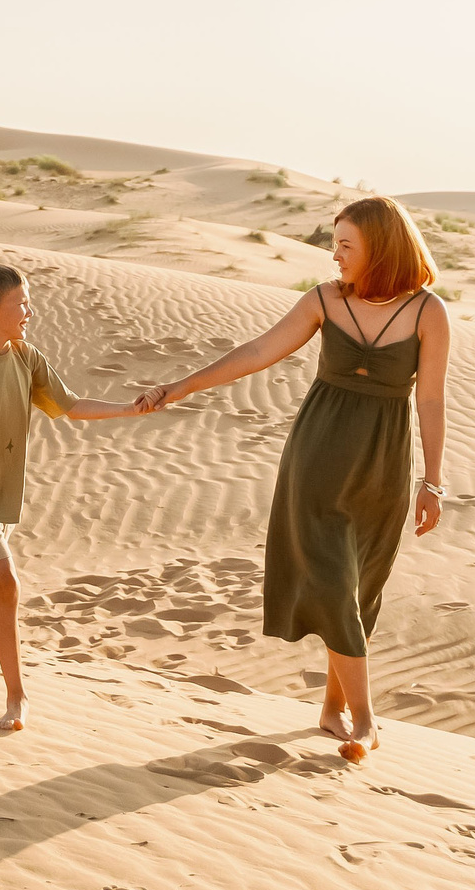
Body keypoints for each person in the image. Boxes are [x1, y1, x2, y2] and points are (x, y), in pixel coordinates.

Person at [143, 197, 451, 759]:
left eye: (346, 245)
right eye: (335, 244)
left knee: (358, 590)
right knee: (331, 582)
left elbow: (430, 399)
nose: (335, 256)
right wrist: (181, 387)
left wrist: (432, 482)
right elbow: (258, 351)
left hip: (383, 467)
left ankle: (332, 709)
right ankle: (366, 721)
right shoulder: (323, 301)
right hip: (317, 459)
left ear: (381, 248)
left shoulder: (428, 311)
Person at [0, 260, 157, 731]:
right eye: (22, 303)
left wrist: (129, 410)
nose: (30, 311)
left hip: (6, 495)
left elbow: (70, 406)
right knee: (6, 583)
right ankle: (16, 697)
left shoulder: (27, 358)